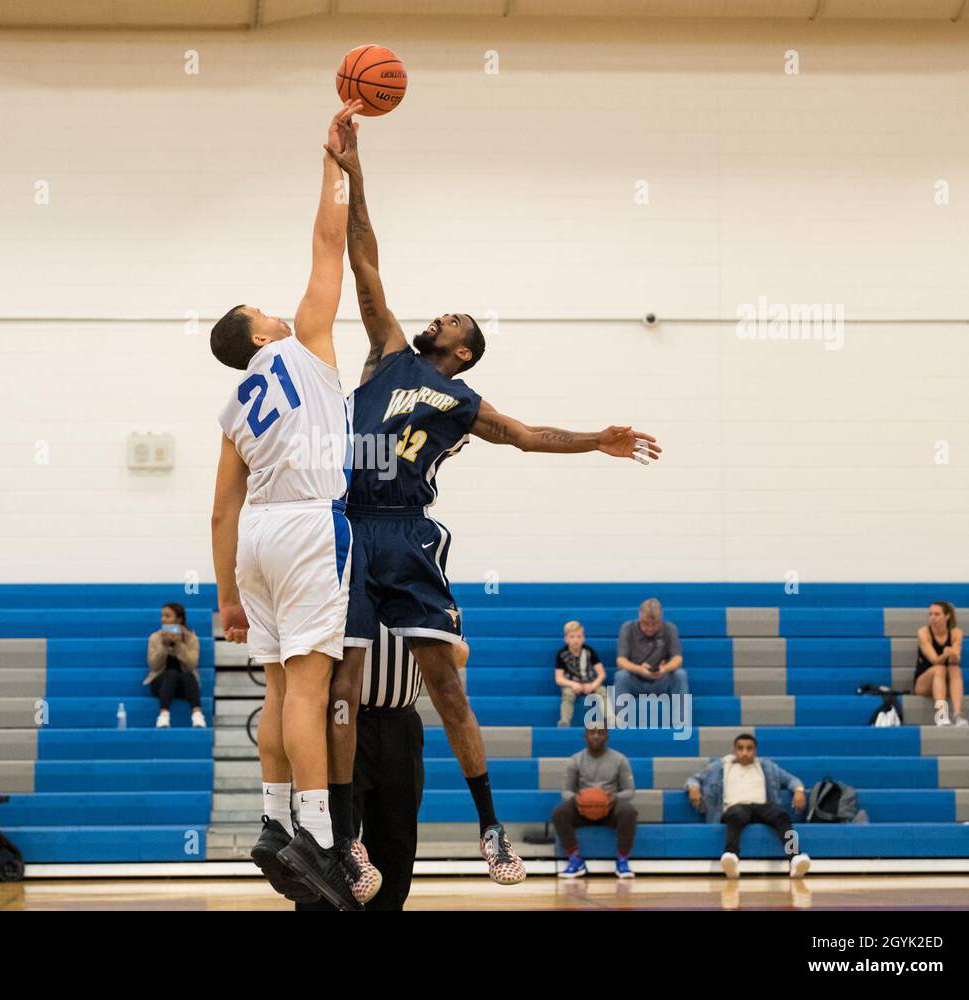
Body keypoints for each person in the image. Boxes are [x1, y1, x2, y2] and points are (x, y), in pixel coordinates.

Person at [322, 104, 661, 886]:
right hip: (348, 529)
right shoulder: (382, 355)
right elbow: (364, 259)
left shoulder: (461, 404)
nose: (435, 316)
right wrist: (355, 174)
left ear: (462, 350)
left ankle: (490, 831)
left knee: (446, 686)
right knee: (343, 682)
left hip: (406, 533)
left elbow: (530, 434)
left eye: (451, 319)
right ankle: (345, 840)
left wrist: (593, 439)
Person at [210, 101, 367, 910]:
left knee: (277, 690)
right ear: (256, 332)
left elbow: (218, 512)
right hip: (309, 523)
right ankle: (319, 839)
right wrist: (334, 166)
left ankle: (273, 821)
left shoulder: (235, 404)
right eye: (258, 309)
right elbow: (328, 243)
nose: (273, 307)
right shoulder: (302, 344)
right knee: (309, 689)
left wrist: (228, 596)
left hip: (258, 539)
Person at [298, 629, 471, 911]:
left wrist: (440, 639)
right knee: (329, 844)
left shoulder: (425, 587)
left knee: (396, 846)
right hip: (342, 721)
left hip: (402, 725)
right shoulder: (342, 585)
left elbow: (461, 655)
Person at [686, 733, 810, 879]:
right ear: (734, 750)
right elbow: (693, 778)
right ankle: (731, 856)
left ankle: (795, 857)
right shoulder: (719, 767)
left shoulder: (767, 766)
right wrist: (693, 788)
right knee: (736, 814)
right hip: (735, 807)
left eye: (749, 749)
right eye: (740, 748)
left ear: (755, 750)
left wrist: (799, 791)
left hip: (762, 807)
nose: (745, 753)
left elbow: (791, 780)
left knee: (781, 815)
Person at [552, 724, 637, 879]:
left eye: (601, 733)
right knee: (560, 812)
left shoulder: (620, 759)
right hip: (582, 808)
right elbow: (566, 792)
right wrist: (578, 799)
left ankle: (623, 861)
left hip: (610, 808)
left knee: (628, 812)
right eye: (592, 733)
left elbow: (630, 791)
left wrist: (614, 797)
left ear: (607, 736)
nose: (596, 736)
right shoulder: (575, 760)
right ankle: (575, 860)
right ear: (585, 736)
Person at [614, 598, 688, 703]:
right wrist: (638, 669)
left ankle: (682, 719)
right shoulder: (627, 628)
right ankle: (620, 719)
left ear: (661, 619)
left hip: (661, 680)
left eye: (655, 624)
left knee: (680, 675)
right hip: (635, 680)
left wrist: (664, 669)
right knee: (621, 676)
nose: (650, 628)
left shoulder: (670, 629)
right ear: (639, 616)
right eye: (645, 623)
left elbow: (678, 659)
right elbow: (621, 661)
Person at [144, 603, 205, 728]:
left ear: (179, 619)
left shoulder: (191, 638)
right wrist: (164, 647)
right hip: (160, 682)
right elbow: (153, 666)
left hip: (184, 685)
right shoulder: (155, 638)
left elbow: (192, 665)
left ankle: (197, 715)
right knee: (171, 674)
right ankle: (163, 715)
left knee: (188, 675)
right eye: (162, 616)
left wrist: (178, 645)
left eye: (167, 616)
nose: (163, 619)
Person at [916, 600, 966, 726]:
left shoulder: (956, 633)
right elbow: (934, 660)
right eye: (930, 614)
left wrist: (953, 654)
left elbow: (956, 660)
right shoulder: (923, 632)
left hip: (946, 684)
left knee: (955, 669)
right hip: (924, 682)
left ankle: (957, 715)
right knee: (939, 668)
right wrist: (945, 653)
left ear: (947, 616)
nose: (932, 618)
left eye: (937, 614)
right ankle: (941, 714)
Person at [555, 620, 608, 727]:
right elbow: (559, 679)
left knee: (602, 691)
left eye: (579, 636)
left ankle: (609, 718)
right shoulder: (561, 654)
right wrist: (572, 684)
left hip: (589, 683)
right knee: (567, 694)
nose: (576, 640)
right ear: (566, 639)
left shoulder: (589, 651)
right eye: (572, 637)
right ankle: (565, 721)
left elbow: (602, 673)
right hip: (572, 685)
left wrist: (593, 685)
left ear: (583, 638)